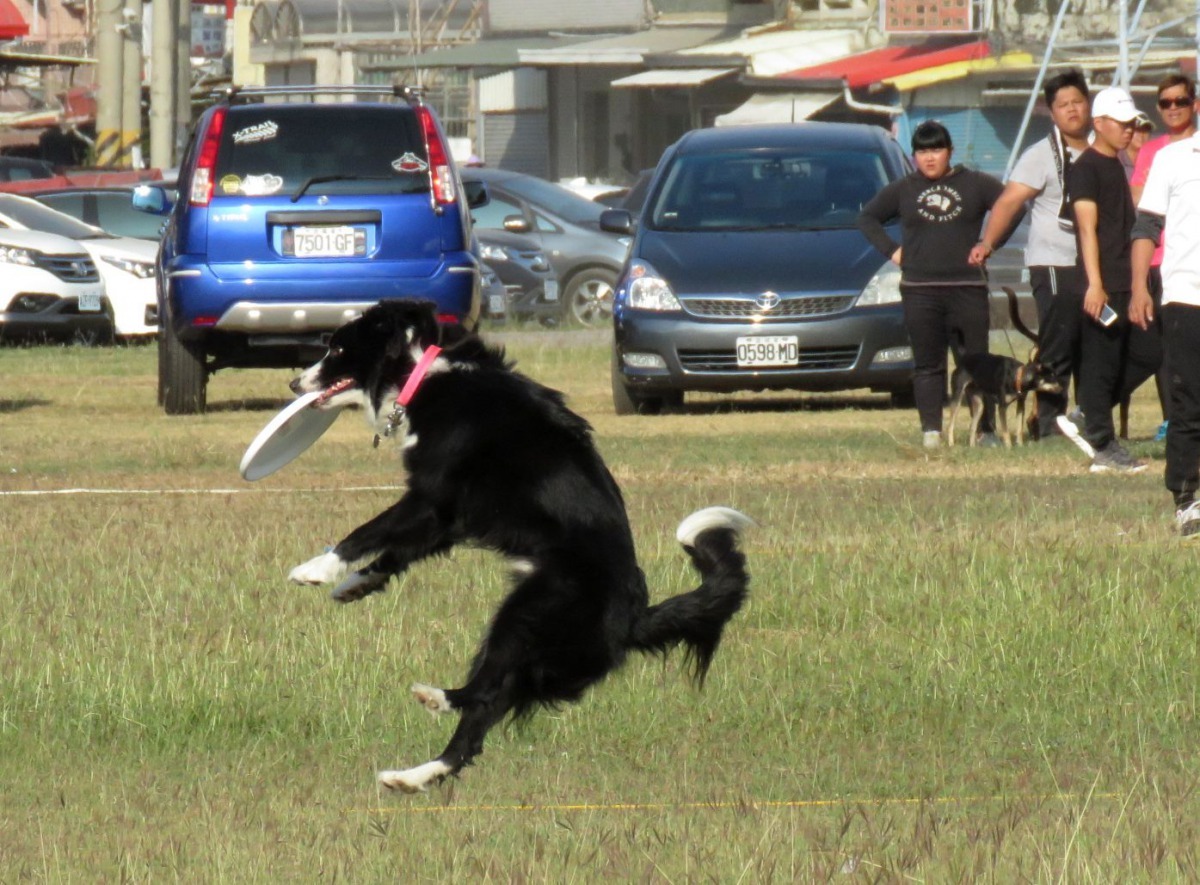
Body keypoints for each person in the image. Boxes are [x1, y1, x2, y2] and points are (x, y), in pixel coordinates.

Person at [858, 120, 1005, 448]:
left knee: (978, 363)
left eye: (936, 150)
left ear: (950, 152)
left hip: (967, 288)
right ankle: (932, 432)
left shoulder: (975, 183)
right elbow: (867, 218)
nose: (929, 157)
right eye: (922, 151)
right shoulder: (903, 188)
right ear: (913, 156)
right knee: (927, 364)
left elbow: (1013, 206)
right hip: (920, 290)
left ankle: (985, 430)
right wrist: (893, 251)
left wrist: (989, 244)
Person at [969, 69, 1092, 440]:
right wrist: (988, 243)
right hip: (1053, 261)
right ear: (1051, 113)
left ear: (1088, 104)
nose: (1072, 110)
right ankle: (1048, 423)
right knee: (1059, 343)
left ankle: (1088, 419)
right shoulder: (1040, 155)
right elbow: (1009, 201)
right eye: (1063, 105)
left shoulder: (1101, 149)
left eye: (1077, 102)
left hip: (1095, 263)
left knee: (1094, 344)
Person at [1065, 86, 1160, 474]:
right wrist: (1094, 283)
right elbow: (1086, 230)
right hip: (1101, 283)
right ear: (1099, 123)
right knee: (1101, 363)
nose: (1129, 129)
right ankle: (1103, 445)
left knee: (1150, 351)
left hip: (1125, 279)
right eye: (1121, 123)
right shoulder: (1085, 168)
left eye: (1132, 123)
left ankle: (1089, 416)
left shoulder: (1117, 165)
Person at [1130, 88, 1200, 536]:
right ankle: (1187, 497)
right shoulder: (1173, 158)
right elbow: (1147, 225)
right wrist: (1139, 286)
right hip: (1186, 296)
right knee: (1188, 399)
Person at [1121, 113, 1154, 179]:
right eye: (1137, 131)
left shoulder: (1155, 158)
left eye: (1145, 131)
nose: (1141, 135)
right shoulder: (1116, 158)